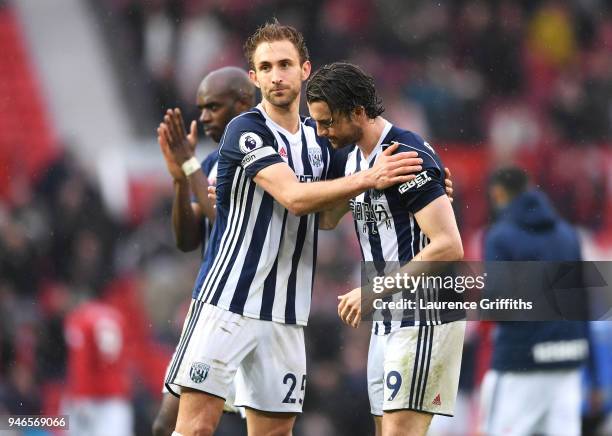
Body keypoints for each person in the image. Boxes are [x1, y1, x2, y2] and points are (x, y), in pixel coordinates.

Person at [164, 22, 426, 436]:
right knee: (192, 428)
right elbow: (294, 196)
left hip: (287, 313)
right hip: (228, 302)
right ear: (253, 78)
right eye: (265, 67)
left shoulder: (320, 140)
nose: (276, 75)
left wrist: (424, 184)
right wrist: (368, 178)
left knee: (274, 434)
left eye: (285, 64)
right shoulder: (245, 130)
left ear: (305, 70)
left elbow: (327, 214)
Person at [305, 62, 466, 436]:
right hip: (387, 320)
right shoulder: (355, 162)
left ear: (358, 112)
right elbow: (327, 219)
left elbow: (449, 245)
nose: (322, 131)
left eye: (328, 122)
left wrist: (371, 291)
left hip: (424, 315)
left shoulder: (407, 156)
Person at [152, 67, 256, 436]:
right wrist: (182, 179)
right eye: (201, 108)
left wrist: (190, 165)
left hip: (254, 307)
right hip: (216, 308)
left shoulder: (263, 156)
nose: (204, 117)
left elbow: (232, 221)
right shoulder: (211, 164)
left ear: (243, 104)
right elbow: (186, 239)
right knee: (168, 425)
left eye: (213, 106)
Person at [479, 166, 589, 436]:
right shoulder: (568, 234)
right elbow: (582, 302)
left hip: (521, 362)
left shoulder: (500, 236)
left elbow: (497, 303)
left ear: (498, 193)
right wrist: (595, 375)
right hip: (568, 360)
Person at [63, 295, 132, 436]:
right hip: (116, 397)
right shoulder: (117, 317)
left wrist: (80, 395)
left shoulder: (80, 319)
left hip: (90, 398)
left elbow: (80, 361)